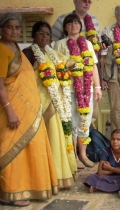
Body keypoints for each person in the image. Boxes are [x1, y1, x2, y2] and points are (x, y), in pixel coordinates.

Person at [0, 13, 57, 207]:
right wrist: (10, 112)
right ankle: (10, 193)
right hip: (12, 110)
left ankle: (28, 187)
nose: (15, 31)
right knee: (12, 150)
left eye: (17, 27)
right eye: (10, 27)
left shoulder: (16, 48)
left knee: (29, 151)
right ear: (1, 30)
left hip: (29, 110)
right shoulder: (1, 50)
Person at [22, 21, 77, 188]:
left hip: (55, 102)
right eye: (41, 33)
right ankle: (44, 177)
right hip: (37, 103)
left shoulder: (52, 53)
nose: (44, 36)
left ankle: (58, 175)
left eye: (47, 34)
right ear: (34, 35)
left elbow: (71, 62)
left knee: (56, 137)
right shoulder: (28, 53)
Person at [54, 13, 102, 169]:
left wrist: (97, 87)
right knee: (71, 122)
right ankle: (73, 155)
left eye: (76, 23)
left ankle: (83, 154)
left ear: (81, 26)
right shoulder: (59, 44)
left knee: (85, 122)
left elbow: (93, 66)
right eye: (70, 23)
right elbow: (57, 67)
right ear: (65, 27)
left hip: (86, 90)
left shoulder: (87, 43)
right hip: (69, 89)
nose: (73, 25)